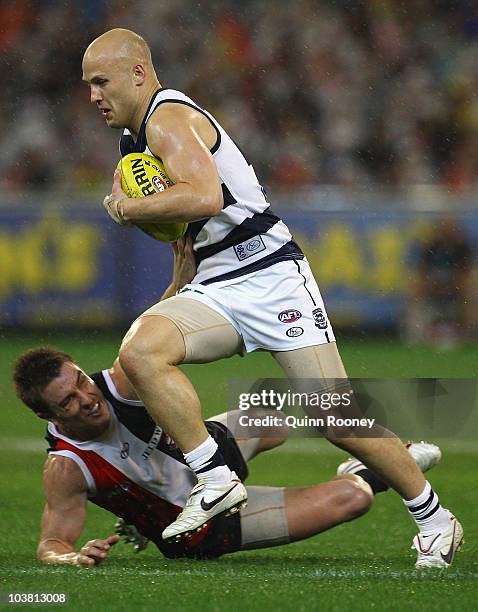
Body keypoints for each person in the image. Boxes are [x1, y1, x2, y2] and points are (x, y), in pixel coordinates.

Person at [82, 28, 463, 567]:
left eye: (101, 82)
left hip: (269, 274)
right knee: (141, 350)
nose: (93, 95)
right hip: (216, 283)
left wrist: (126, 210)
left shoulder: (167, 117)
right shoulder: (133, 138)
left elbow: (205, 197)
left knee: (338, 421)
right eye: (87, 85)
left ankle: (433, 516)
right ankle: (214, 477)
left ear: (138, 74)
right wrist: (173, 292)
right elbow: (187, 229)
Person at [13, 347, 441, 566]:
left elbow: (158, 326)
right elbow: (50, 544)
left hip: (211, 455)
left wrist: (185, 264)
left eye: (82, 381)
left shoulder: (123, 380)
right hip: (206, 523)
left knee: (273, 419)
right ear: (46, 415)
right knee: (354, 499)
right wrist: (72, 556)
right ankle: (371, 472)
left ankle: (370, 456)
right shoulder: (68, 467)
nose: (87, 399)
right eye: (67, 401)